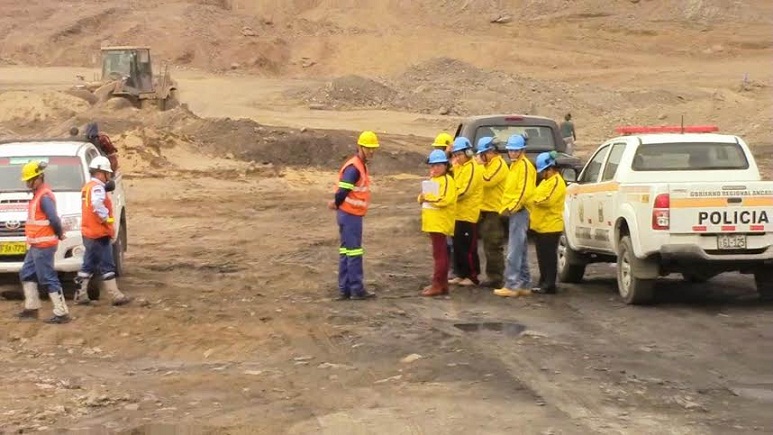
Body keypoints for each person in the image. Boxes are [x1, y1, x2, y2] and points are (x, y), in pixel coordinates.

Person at [16, 161, 71, 324]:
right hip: (36, 245)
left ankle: (61, 313)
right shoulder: (38, 195)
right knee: (26, 273)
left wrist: (59, 234)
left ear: (39, 178)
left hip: (44, 245)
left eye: (30, 180)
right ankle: (32, 308)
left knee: (47, 277)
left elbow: (53, 218)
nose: (27, 183)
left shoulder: (44, 196)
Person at [328, 131, 380, 301]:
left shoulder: (358, 165)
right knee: (354, 252)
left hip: (348, 214)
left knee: (346, 252)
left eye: (373, 148)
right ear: (360, 147)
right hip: (350, 216)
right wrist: (336, 203)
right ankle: (356, 289)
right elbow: (343, 190)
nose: (371, 151)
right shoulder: (354, 168)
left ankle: (345, 288)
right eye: (368, 148)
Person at [73, 156, 131, 306]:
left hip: (89, 232)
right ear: (100, 173)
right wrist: (106, 218)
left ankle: (81, 294)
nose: (108, 177)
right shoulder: (98, 188)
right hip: (99, 233)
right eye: (107, 173)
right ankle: (115, 295)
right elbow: (97, 204)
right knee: (107, 264)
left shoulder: (88, 187)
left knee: (88, 264)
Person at [494, 135, 536, 298]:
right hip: (516, 211)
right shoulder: (515, 166)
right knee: (521, 248)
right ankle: (524, 283)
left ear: (522, 151)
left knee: (514, 249)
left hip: (519, 211)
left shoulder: (524, 166)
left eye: (515, 150)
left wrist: (512, 207)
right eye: (510, 150)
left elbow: (524, 191)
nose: (512, 153)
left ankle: (512, 284)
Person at [526, 151, 567, 294]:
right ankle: (543, 281)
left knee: (549, 257)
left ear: (550, 169)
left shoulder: (557, 182)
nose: (541, 174)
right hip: (541, 226)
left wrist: (534, 200)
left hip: (550, 226)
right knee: (542, 256)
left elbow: (547, 200)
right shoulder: (545, 182)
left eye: (543, 171)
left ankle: (549, 284)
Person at [418, 149, 457, 297]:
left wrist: (428, 199)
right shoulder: (434, 180)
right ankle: (442, 284)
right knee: (439, 254)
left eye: (438, 165)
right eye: (432, 166)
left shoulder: (447, 180)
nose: (434, 168)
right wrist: (421, 198)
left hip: (440, 223)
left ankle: (438, 284)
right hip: (433, 223)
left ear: (445, 166)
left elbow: (445, 200)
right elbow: (425, 196)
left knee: (440, 255)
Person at [448, 137, 483, 286]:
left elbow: (465, 191)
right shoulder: (460, 167)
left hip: (468, 214)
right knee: (458, 246)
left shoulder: (473, 168)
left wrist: (448, 197)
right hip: (458, 213)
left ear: (468, 153)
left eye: (459, 155)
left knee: (468, 247)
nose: (457, 158)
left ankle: (472, 275)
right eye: (455, 155)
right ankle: (461, 273)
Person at [475, 136, 509, 288]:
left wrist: (480, 165)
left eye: (483, 153)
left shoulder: (498, 165)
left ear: (490, 151)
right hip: (485, 209)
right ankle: (492, 275)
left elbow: (486, 181)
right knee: (487, 244)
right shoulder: (490, 164)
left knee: (493, 245)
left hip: (495, 211)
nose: (481, 157)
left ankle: (496, 277)